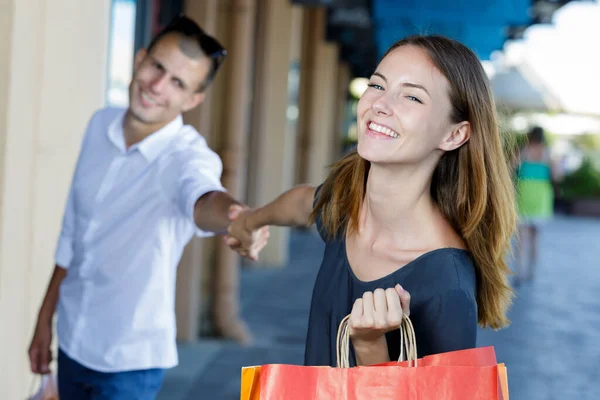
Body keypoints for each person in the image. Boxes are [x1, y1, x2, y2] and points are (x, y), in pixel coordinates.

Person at [225, 35, 517, 367]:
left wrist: (369, 346)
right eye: (377, 85)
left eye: (411, 96)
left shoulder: (447, 287)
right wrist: (249, 222)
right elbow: (303, 202)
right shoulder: (347, 203)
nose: (380, 104)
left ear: (453, 135)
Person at [27, 16, 268, 399]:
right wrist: (44, 320)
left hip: (130, 364)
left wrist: (238, 218)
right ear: (140, 59)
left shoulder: (186, 157)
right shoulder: (99, 125)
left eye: (178, 83)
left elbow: (204, 197)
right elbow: (72, 234)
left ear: (193, 100)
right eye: (157, 66)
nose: (157, 86)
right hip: (72, 341)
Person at [514, 126, 555, 284]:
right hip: (542, 197)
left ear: (530, 136)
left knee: (522, 237)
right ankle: (532, 272)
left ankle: (520, 272)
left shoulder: (524, 150)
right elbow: (556, 174)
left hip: (525, 195)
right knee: (536, 237)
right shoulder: (547, 153)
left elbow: (510, 167)